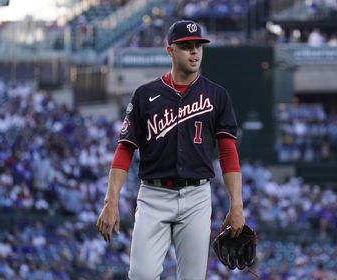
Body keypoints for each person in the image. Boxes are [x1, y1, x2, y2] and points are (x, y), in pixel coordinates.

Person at [96, 19, 245, 279]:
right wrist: (111, 200)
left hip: (196, 196)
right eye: (186, 46)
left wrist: (237, 206)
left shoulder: (217, 95)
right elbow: (125, 149)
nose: (194, 51)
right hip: (154, 195)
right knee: (141, 275)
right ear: (170, 51)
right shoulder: (145, 94)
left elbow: (228, 153)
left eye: (198, 45)